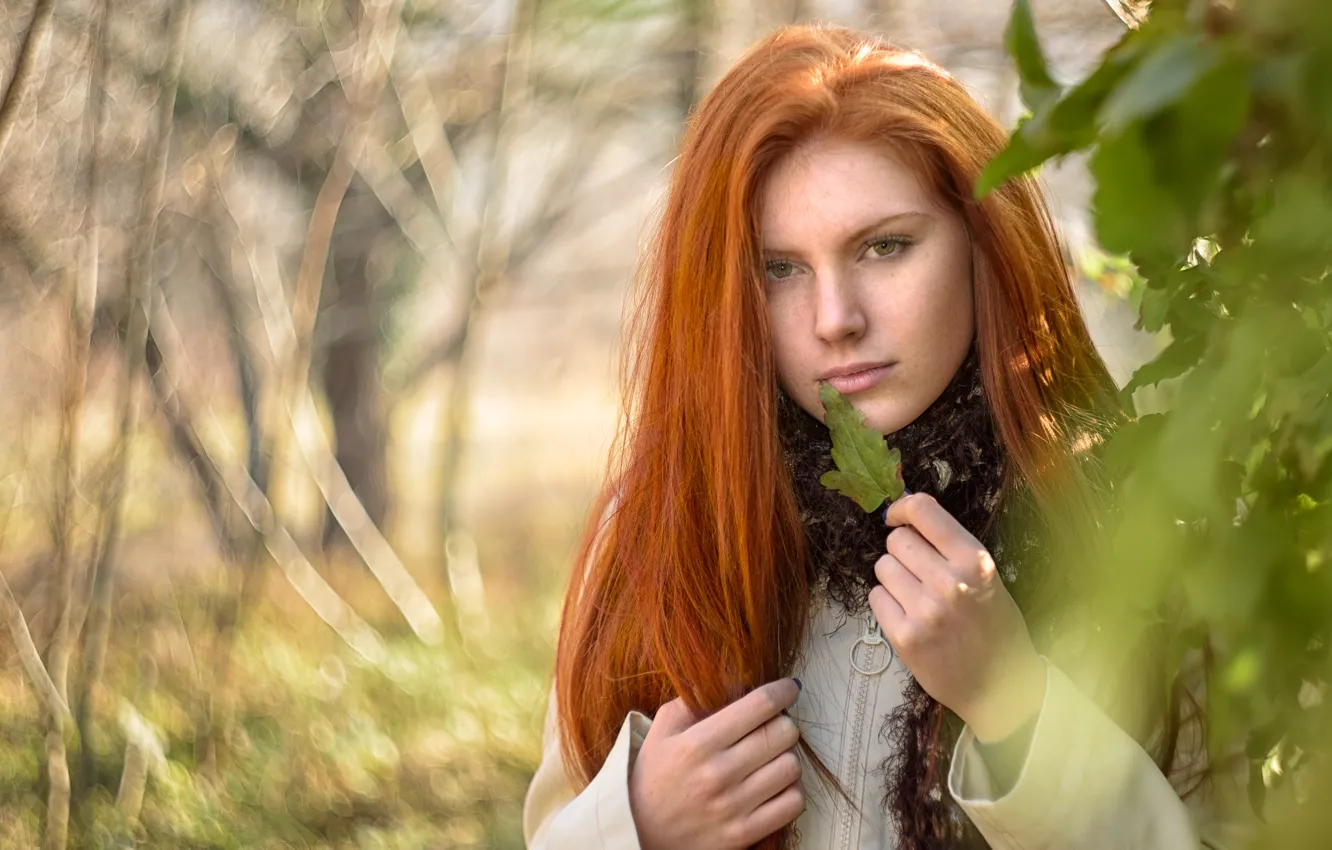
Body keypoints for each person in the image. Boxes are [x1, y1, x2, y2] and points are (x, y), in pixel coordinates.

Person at [522, 23, 1250, 850]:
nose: (836, 320)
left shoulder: (1134, 527)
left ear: (985, 244)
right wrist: (636, 828)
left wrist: (1018, 707)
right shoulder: (660, 526)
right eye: (779, 268)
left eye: (885, 246)